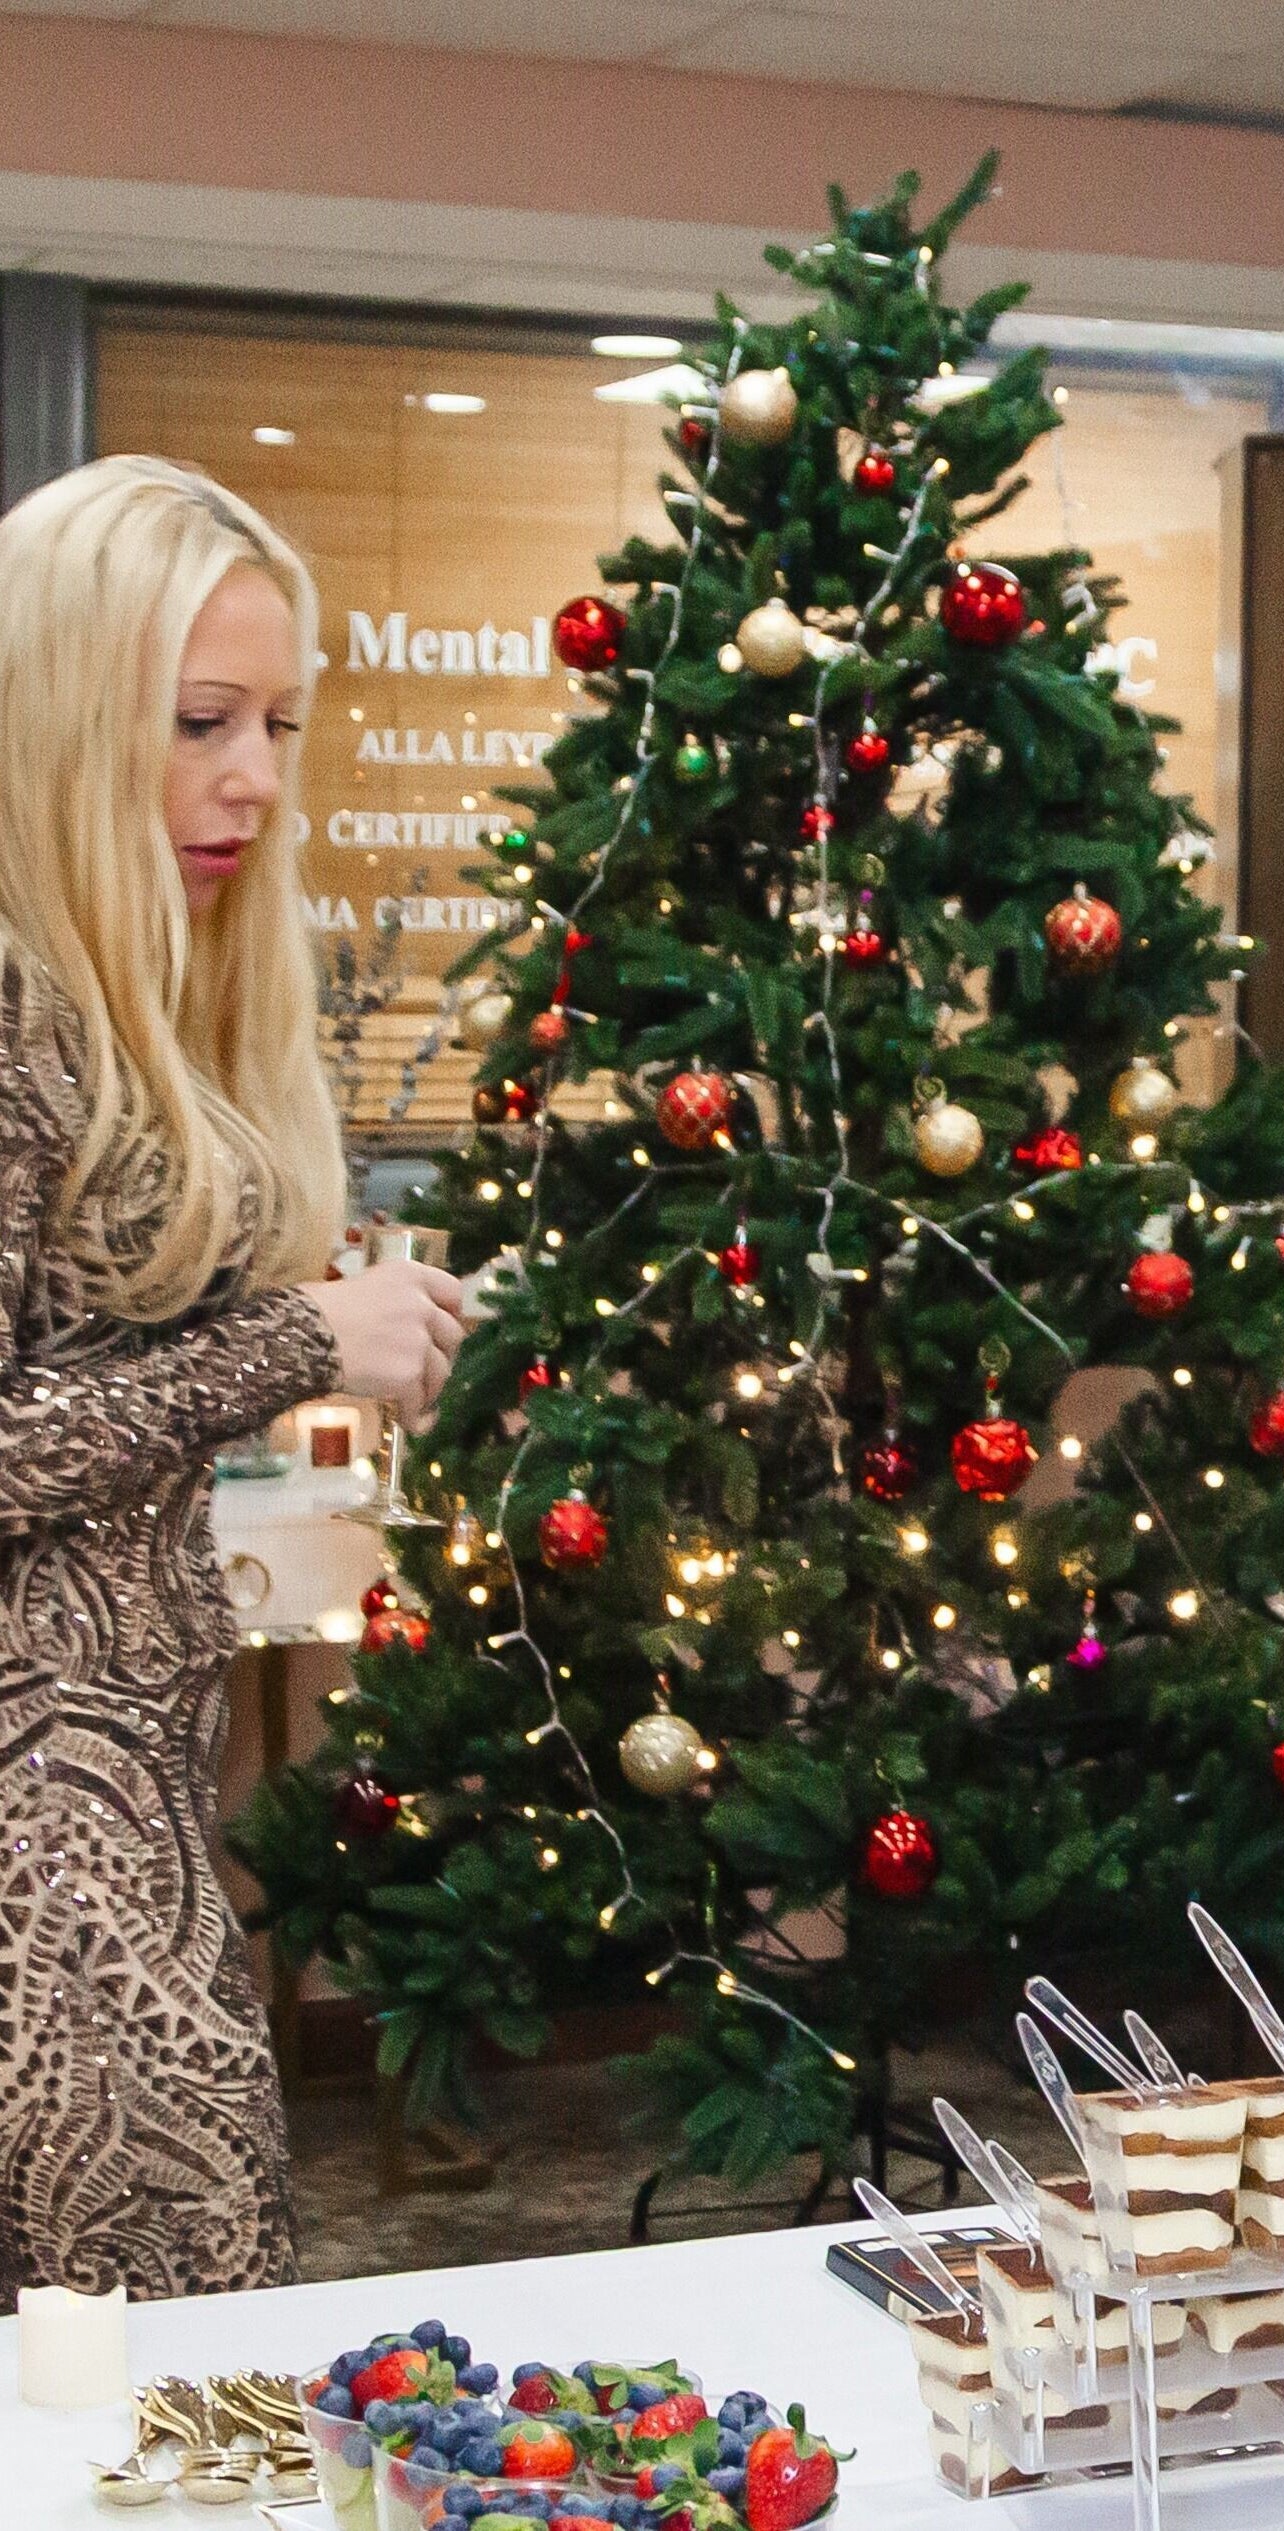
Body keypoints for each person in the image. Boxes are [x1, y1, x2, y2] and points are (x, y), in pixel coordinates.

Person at [0, 456, 467, 2297]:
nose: (258, 778)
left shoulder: (112, 992)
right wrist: (293, 1345)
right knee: (165, 2380)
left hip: (124, 1776)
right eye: (202, 723)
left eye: (280, 720)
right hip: (41, 1833)